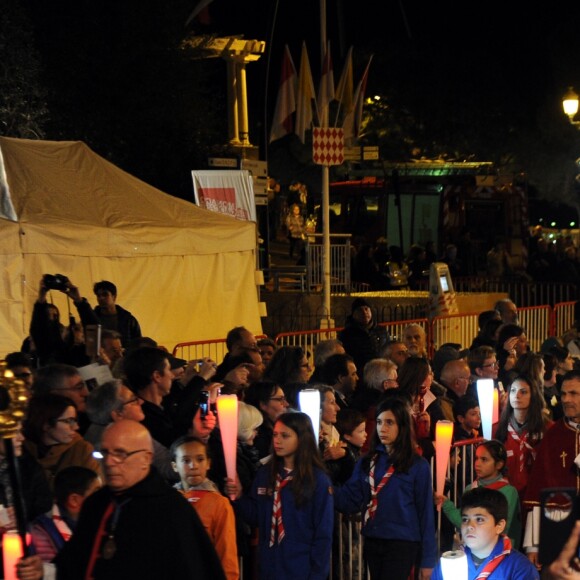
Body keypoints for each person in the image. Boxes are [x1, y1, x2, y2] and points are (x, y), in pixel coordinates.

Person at [51, 420, 226, 579]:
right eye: (104, 453)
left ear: (146, 459)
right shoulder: (96, 503)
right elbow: (73, 562)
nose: (109, 462)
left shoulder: (172, 510)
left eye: (120, 454)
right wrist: (44, 570)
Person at [334, 396, 437, 580]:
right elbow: (351, 499)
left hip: (402, 542)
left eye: (390, 422)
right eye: (380, 422)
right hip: (373, 539)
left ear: (402, 426)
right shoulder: (367, 461)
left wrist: (428, 560)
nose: (383, 428)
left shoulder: (417, 465)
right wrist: (326, 488)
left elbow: (426, 513)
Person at [229, 412, 334, 580]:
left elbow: (323, 532)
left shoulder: (317, 480)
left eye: (285, 436)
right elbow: (256, 516)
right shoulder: (266, 474)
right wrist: (239, 496)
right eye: (275, 435)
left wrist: (317, 573)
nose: (277, 440)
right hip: (270, 564)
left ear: (301, 439)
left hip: (301, 566)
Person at [523, 370, 580, 567]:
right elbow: (537, 491)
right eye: (563, 394)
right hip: (559, 528)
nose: (566, 399)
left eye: (573, 394)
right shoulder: (553, 435)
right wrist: (533, 545)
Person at [431, 487, 539, 580]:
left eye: (479, 519)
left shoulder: (520, 568)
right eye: (465, 519)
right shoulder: (449, 564)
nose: (470, 526)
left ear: (499, 526)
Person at [171, 436, 239, 580]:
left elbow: (227, 554)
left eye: (200, 459)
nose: (193, 466)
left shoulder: (219, 503)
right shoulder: (167, 502)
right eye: (185, 460)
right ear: (174, 466)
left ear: (208, 463)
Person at [437, 440, 521, 549]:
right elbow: (462, 521)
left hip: (499, 551)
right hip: (473, 550)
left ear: (499, 464)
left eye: (484, 460)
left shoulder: (508, 492)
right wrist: (445, 503)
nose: (477, 463)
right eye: (476, 458)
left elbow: (504, 527)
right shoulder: (471, 488)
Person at [22, 393, 102, 489]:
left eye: (75, 420)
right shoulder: (23, 449)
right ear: (46, 424)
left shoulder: (82, 450)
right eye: (69, 421)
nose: (76, 427)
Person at [493, 376, 552, 498]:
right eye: (513, 391)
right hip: (505, 495)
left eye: (523, 392)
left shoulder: (548, 429)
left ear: (533, 396)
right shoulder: (496, 429)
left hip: (537, 494)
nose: (517, 395)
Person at [30, 466, 101, 562]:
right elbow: (50, 572)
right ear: (74, 500)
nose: (103, 498)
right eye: (97, 492)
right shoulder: (41, 532)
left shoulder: (100, 524)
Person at [338, 298, 387, 372]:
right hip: (359, 373)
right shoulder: (346, 334)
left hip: (380, 371)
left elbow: (388, 349)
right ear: (353, 314)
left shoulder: (381, 330)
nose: (364, 312)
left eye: (366, 309)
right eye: (359, 310)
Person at [244, 381, 289, 459]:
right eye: (280, 399)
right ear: (263, 404)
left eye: (284, 399)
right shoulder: (258, 436)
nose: (286, 404)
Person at [92, 280, 142, 346]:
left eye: (105, 294)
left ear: (114, 296)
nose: (101, 298)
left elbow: (138, 343)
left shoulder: (128, 320)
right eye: (98, 295)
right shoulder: (92, 318)